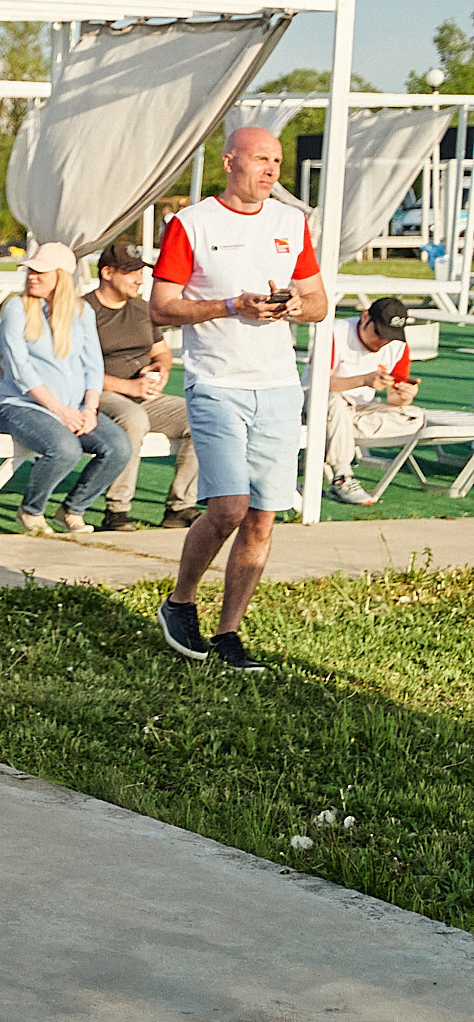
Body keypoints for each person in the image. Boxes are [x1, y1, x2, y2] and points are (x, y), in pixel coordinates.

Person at [150, 126, 328, 671]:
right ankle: (180, 603)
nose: (272, 170)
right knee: (228, 507)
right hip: (217, 381)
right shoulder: (193, 223)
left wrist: (294, 308)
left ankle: (229, 634)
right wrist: (230, 306)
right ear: (230, 162)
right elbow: (161, 307)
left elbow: (319, 301)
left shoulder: (290, 222)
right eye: (260, 159)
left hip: (276, 383)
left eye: (276, 160)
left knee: (262, 518)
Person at [0, 243, 131, 534]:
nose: (32, 276)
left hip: (73, 408)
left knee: (118, 447)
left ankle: (72, 509)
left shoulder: (81, 312)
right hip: (20, 407)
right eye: (31, 270)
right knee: (64, 448)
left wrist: (90, 409)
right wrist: (60, 411)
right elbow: (20, 370)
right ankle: (31, 511)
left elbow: (94, 366)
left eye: (41, 272)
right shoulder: (16, 307)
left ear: (61, 277)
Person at [87, 241, 199, 530]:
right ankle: (117, 510)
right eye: (131, 272)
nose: (140, 278)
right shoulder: (83, 311)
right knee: (134, 419)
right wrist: (129, 387)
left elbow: (160, 350)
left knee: (201, 416)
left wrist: (161, 368)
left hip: (142, 395)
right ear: (108, 273)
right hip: (97, 396)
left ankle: (180, 507)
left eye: (141, 271)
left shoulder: (141, 308)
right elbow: (74, 371)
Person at [320, 295, 422, 505]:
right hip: (321, 403)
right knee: (335, 401)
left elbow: (394, 398)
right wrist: (363, 380)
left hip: (361, 410)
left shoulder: (398, 346)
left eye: (390, 336)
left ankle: (339, 434)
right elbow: (319, 384)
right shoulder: (335, 333)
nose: (382, 341)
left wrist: (404, 396)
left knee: (414, 416)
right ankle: (342, 476)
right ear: (365, 316)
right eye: (379, 332)